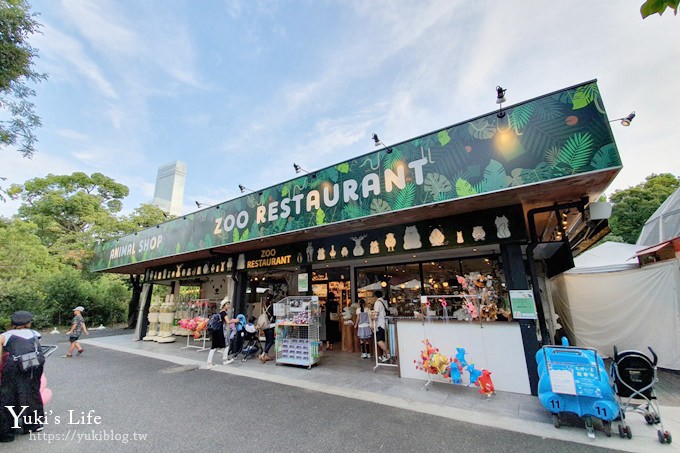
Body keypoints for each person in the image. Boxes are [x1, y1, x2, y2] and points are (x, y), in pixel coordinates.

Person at [0, 311, 45, 442]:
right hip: (32, 365)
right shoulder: (35, 334)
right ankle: (33, 425)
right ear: (28, 323)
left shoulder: (5, 336)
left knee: (7, 395)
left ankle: (6, 431)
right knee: (32, 393)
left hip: (13, 366)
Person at [206, 298, 234, 368]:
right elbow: (228, 322)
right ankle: (223, 360)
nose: (228, 306)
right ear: (224, 305)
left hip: (215, 331)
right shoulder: (224, 313)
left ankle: (211, 362)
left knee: (216, 347)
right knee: (225, 345)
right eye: (227, 304)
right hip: (219, 332)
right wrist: (236, 320)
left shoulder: (219, 312)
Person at [373, 291, 391, 362]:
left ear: (375, 296)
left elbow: (376, 314)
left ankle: (388, 353)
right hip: (384, 323)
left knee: (379, 340)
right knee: (383, 340)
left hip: (380, 324)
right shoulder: (384, 302)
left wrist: (372, 317)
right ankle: (384, 356)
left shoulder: (377, 303)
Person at [259, 294, 276, 363]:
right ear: (272, 299)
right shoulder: (272, 307)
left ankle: (266, 355)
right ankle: (263, 354)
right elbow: (274, 316)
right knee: (271, 340)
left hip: (265, 326)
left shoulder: (264, 306)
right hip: (270, 325)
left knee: (267, 340)